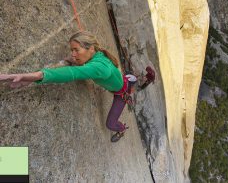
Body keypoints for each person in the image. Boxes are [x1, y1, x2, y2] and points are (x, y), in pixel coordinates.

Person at [0, 31, 136, 142]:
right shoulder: (97, 55)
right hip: (122, 81)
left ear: (91, 48)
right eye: (72, 50)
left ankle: (122, 129)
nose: (73, 54)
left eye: (76, 50)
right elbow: (80, 66)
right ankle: (133, 80)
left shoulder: (100, 68)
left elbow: (72, 73)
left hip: (121, 93)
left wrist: (35, 77)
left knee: (110, 124)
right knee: (128, 80)